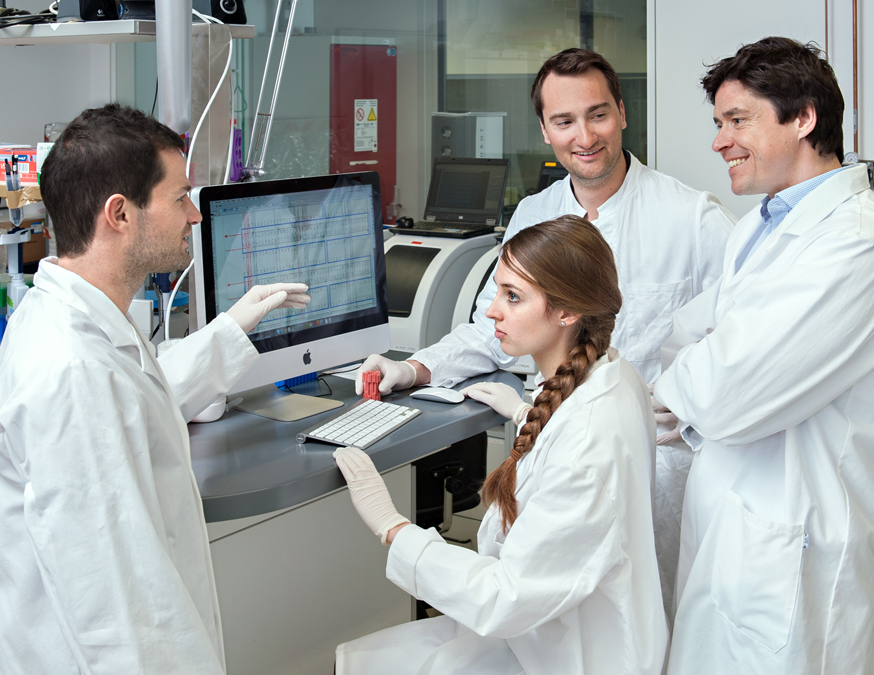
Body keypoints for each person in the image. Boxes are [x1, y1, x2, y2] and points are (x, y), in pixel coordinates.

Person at [356, 47, 734, 616]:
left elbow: (740, 339)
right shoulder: (535, 214)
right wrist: (413, 368)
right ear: (545, 129)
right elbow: (492, 325)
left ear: (623, 114)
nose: (584, 135)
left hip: (655, 474)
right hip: (553, 452)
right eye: (564, 121)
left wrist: (692, 411)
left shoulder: (692, 218)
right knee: (550, 618)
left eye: (598, 114)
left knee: (647, 617)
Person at [0, 104, 310, 674]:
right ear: (120, 214)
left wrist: (231, 329)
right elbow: (117, 612)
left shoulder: (81, 324)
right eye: (180, 197)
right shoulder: (72, 372)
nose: (194, 216)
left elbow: (142, 390)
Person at [334, 216, 668, 675]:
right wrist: (529, 417)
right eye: (497, 292)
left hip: (566, 655)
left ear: (567, 311)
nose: (492, 311)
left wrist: (393, 528)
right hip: (553, 632)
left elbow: (505, 596)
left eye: (512, 297)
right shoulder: (612, 375)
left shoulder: (588, 441)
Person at [653, 37, 874, 674]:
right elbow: (681, 338)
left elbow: (725, 395)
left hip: (797, 544)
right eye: (718, 124)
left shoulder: (853, 247)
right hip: (734, 523)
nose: (720, 142)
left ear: (804, 118)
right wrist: (705, 373)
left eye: (737, 121)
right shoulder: (761, 224)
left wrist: (702, 380)